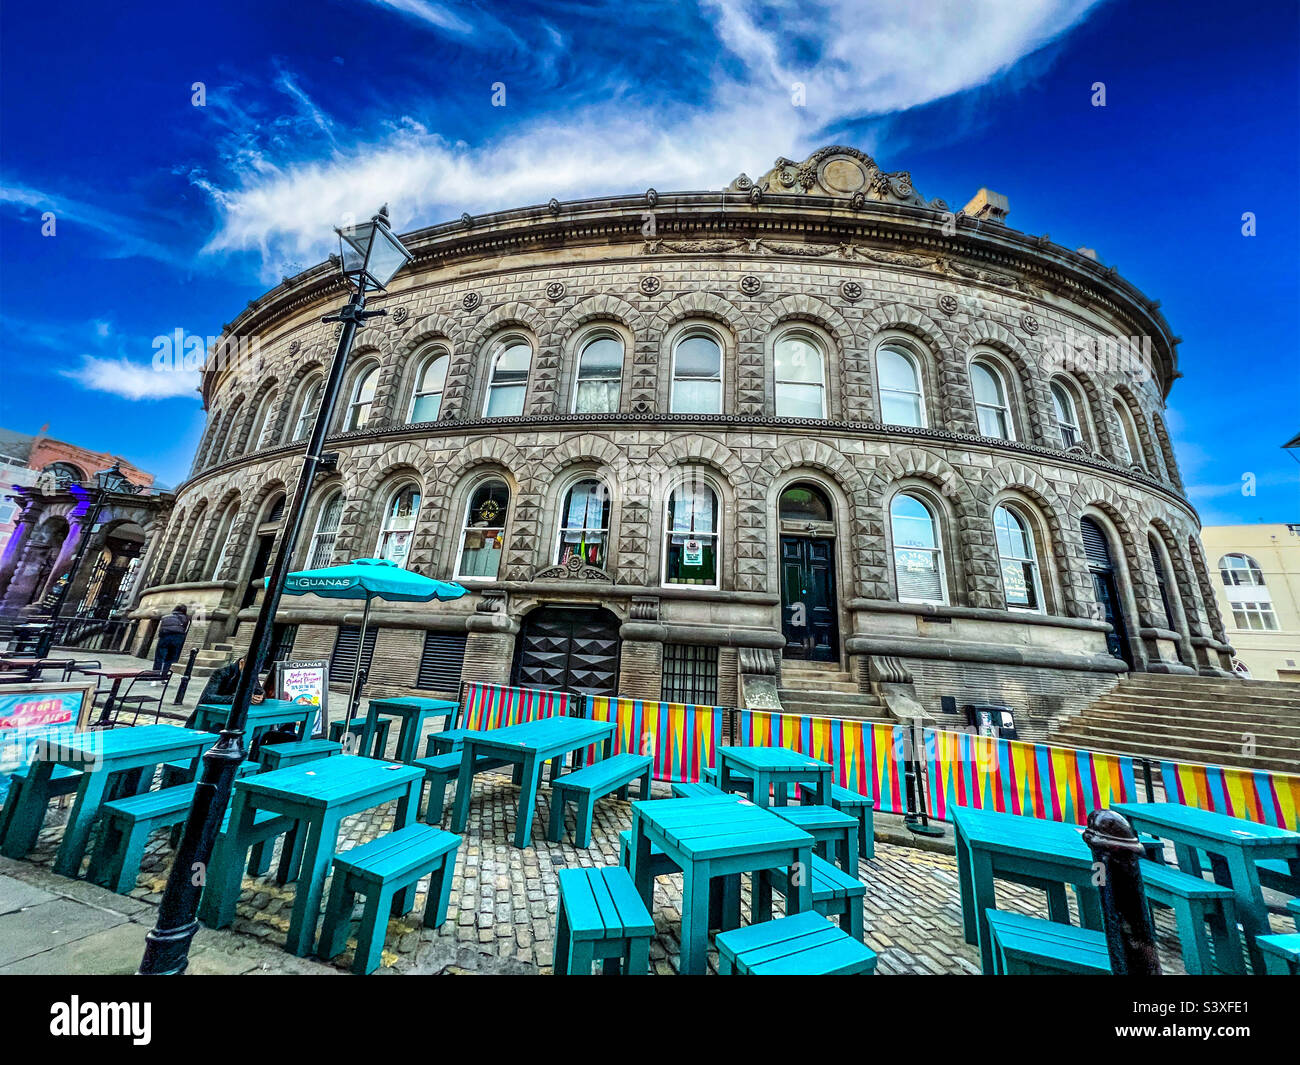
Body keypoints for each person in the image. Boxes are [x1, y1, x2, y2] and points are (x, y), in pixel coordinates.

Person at [185, 656, 266, 728]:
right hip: (211, 718)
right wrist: (240, 698)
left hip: (233, 717)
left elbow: (259, 690)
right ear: (241, 663)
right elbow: (207, 697)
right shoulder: (221, 673)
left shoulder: (251, 674)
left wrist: (261, 697)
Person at [152, 604, 190, 676]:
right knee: (169, 658)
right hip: (177, 638)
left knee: (159, 657)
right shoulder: (186, 619)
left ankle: (155, 675)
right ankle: (164, 675)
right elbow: (185, 630)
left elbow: (161, 628)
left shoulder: (165, 617)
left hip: (165, 637)